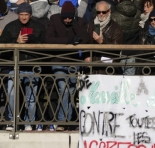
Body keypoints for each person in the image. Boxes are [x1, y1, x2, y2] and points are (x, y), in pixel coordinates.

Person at [45, 1, 89, 131]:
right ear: (61, 15)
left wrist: (75, 25)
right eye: (65, 17)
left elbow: (85, 39)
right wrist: (68, 41)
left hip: (74, 61)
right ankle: (62, 121)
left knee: (70, 90)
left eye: (70, 17)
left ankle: (66, 121)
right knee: (63, 88)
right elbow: (49, 39)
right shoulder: (54, 19)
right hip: (58, 60)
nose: (67, 20)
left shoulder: (79, 22)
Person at [2, 3, 45, 132]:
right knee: (11, 96)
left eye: (26, 14)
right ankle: (11, 121)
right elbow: (2, 45)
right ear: (18, 14)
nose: (24, 17)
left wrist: (33, 41)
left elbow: (45, 45)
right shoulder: (10, 26)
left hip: (32, 67)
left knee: (31, 98)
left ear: (31, 15)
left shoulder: (39, 27)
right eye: (21, 14)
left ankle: (28, 123)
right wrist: (16, 42)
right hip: (14, 67)